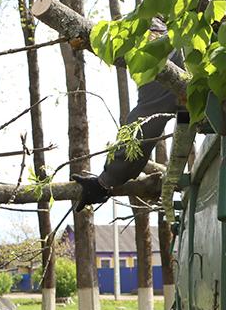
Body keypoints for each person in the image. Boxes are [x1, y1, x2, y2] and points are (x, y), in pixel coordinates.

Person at [73, 25, 183, 211]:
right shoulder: (183, 44)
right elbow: (186, 117)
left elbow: (142, 130)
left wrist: (103, 183)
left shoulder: (163, 62)